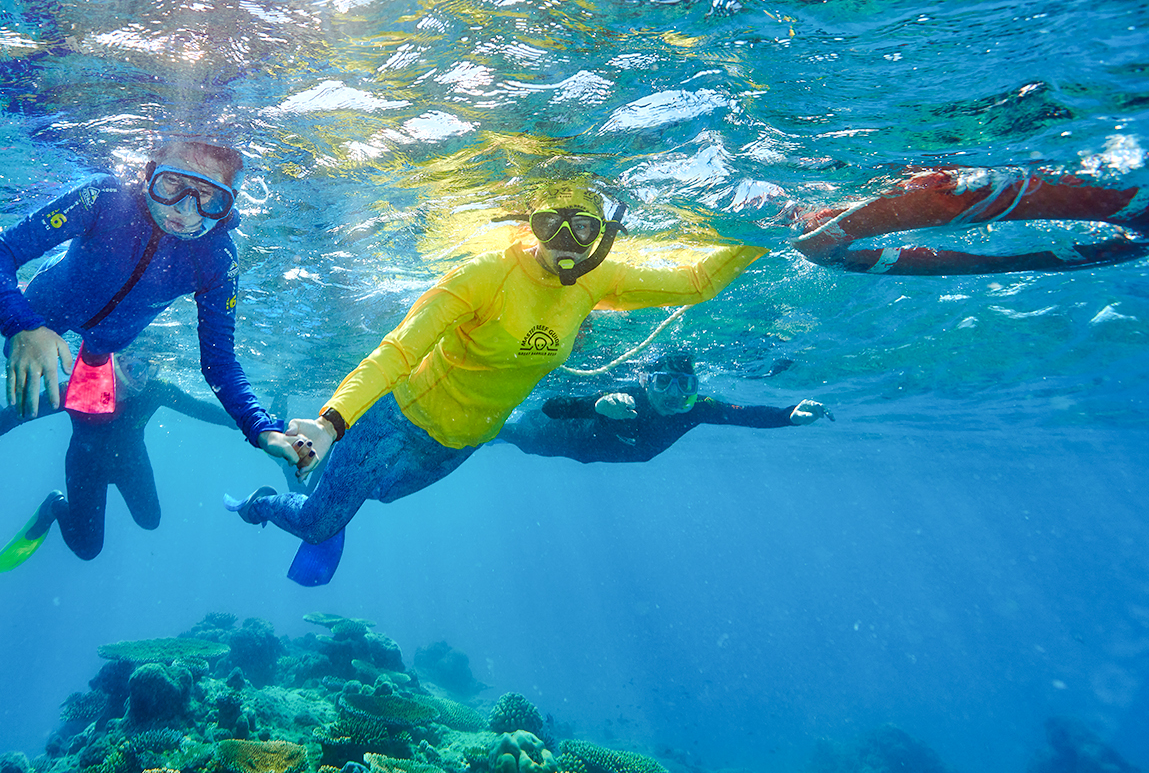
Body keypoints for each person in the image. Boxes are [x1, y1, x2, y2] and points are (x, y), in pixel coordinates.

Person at [227, 182, 767, 585]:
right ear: (529, 223)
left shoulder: (599, 280)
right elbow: (397, 349)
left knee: (382, 494)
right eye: (548, 225)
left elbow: (696, 282)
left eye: (582, 229)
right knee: (320, 524)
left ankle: (326, 488)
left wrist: (773, 229)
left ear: (601, 232)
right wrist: (331, 421)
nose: (566, 244)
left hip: (464, 442)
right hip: (397, 421)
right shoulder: (484, 276)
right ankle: (264, 502)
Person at [0, 139, 289, 568]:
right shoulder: (104, 198)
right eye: (171, 183)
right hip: (44, 312)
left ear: (226, 209)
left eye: (207, 196)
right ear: (148, 174)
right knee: (31, 364)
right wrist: (22, 325)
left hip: (102, 352)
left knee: (93, 396)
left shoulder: (217, 257)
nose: (185, 209)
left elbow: (220, 364)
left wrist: (260, 427)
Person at [0, 353, 243, 570]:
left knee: (150, 520)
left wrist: (245, 422)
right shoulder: (81, 388)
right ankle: (54, 506)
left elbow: (198, 408)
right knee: (87, 549)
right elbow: (30, 408)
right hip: (86, 468)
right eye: (136, 367)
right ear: (117, 362)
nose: (144, 377)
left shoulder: (155, 391)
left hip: (131, 462)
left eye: (151, 369)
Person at [501, 347, 830, 463]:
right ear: (646, 381)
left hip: (611, 451)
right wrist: (598, 404)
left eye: (685, 385)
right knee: (512, 432)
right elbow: (552, 407)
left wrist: (788, 416)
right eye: (662, 382)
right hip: (558, 438)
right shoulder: (627, 397)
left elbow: (742, 415)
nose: (674, 394)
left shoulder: (696, 407)